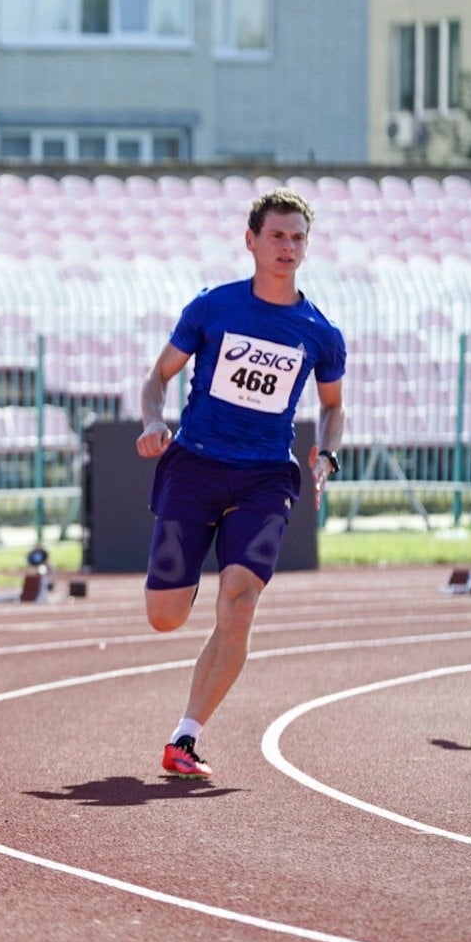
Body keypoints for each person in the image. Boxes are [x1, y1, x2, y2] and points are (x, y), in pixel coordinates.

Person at [136, 187, 345, 781]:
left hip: (265, 478)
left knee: (241, 602)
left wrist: (328, 452)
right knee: (166, 617)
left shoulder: (319, 332)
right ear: (251, 240)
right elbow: (157, 379)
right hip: (195, 465)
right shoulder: (213, 308)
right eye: (277, 235)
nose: (288, 247)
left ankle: (186, 736)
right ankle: (193, 578)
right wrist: (154, 421)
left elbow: (333, 407)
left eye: (298, 237)